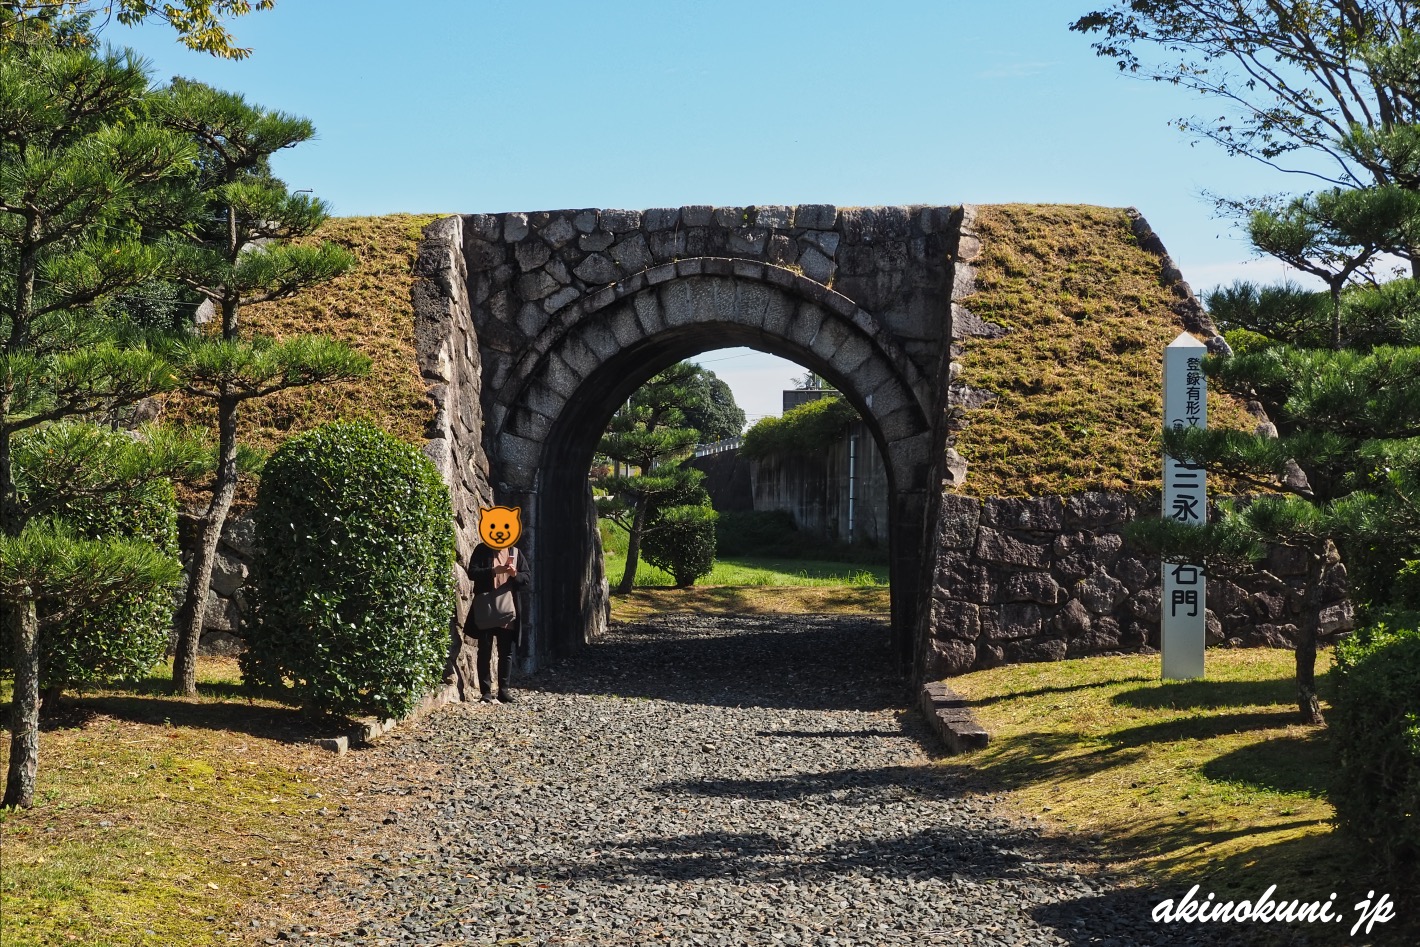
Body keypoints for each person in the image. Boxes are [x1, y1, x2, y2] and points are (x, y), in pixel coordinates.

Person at [465, 541, 530, 703]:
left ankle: (503, 690)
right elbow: (472, 572)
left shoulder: (515, 552)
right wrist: (494, 571)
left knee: (506, 652)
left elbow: (526, 577)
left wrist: (515, 575)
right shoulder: (482, 549)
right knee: (484, 650)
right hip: (486, 608)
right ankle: (486, 692)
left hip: (507, 609)